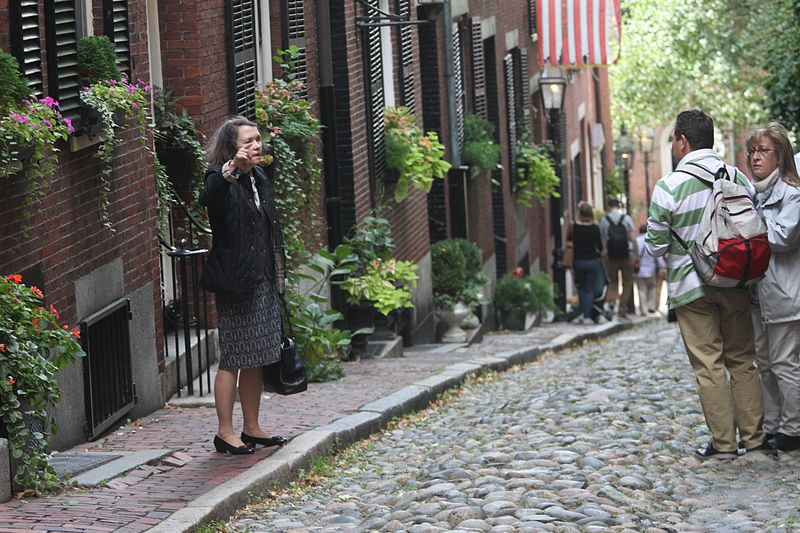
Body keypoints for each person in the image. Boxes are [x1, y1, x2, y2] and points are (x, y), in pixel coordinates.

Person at [645, 109, 769, 459]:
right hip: (735, 280)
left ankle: (724, 444)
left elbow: (654, 247)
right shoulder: (737, 177)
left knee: (709, 365)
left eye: (674, 139)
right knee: (743, 361)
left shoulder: (668, 187)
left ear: (683, 142)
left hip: (691, 288)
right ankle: (755, 440)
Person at [200, 116, 289, 455]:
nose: (256, 145)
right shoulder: (219, 176)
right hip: (235, 281)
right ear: (232, 149)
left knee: (257, 356)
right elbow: (208, 198)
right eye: (248, 141)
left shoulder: (259, 177)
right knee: (233, 357)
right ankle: (225, 432)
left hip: (261, 277)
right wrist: (232, 169)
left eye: (258, 139)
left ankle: (251, 426)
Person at [745, 123, 800, 452]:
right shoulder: (754, 194)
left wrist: (748, 221)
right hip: (757, 293)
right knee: (764, 365)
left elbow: (782, 238)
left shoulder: (792, 194)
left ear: (779, 156)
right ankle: (773, 425)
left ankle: (793, 429)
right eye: (752, 151)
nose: (755, 157)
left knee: (784, 364)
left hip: (784, 293)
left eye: (763, 150)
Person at [599, 198, 638, 322]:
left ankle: (611, 305)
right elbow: (632, 239)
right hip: (626, 254)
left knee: (612, 282)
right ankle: (622, 310)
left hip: (610, 256)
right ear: (619, 206)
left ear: (608, 206)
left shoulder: (604, 220)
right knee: (627, 282)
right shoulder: (626, 219)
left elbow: (603, 239)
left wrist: (603, 254)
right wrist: (636, 255)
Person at [566, 202, 603, 325]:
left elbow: (569, 242)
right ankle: (587, 316)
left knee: (581, 288)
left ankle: (583, 313)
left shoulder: (574, 227)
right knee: (590, 288)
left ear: (579, 213)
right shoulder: (595, 228)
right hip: (592, 261)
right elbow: (600, 247)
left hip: (579, 261)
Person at [634, 223, 665, 316]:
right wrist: (662, 266)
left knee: (641, 290)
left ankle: (643, 310)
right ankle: (651, 307)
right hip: (650, 270)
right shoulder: (652, 241)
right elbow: (658, 256)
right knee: (652, 287)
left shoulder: (636, 241)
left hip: (639, 270)